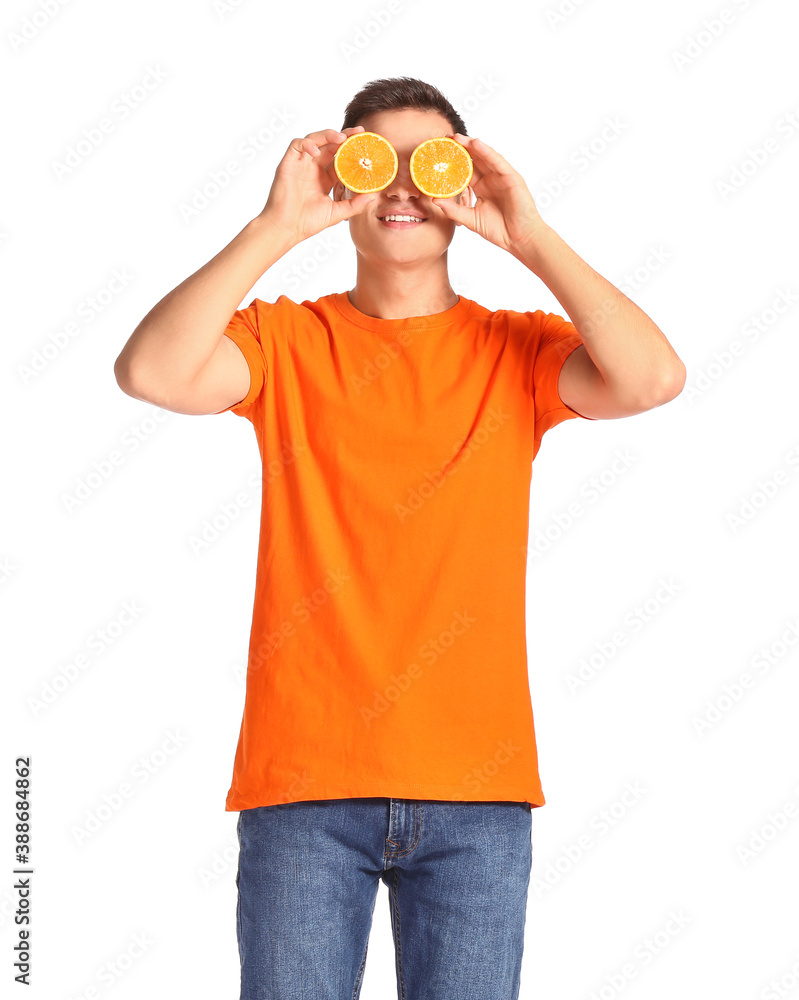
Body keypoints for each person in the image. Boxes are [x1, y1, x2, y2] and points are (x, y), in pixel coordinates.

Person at [114, 76, 685, 1000]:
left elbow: (653, 377)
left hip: (477, 789)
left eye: (433, 164)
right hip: (303, 785)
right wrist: (275, 229)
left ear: (464, 182)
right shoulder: (284, 344)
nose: (405, 188)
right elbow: (149, 371)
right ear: (346, 180)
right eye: (378, 162)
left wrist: (529, 235)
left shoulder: (517, 350)